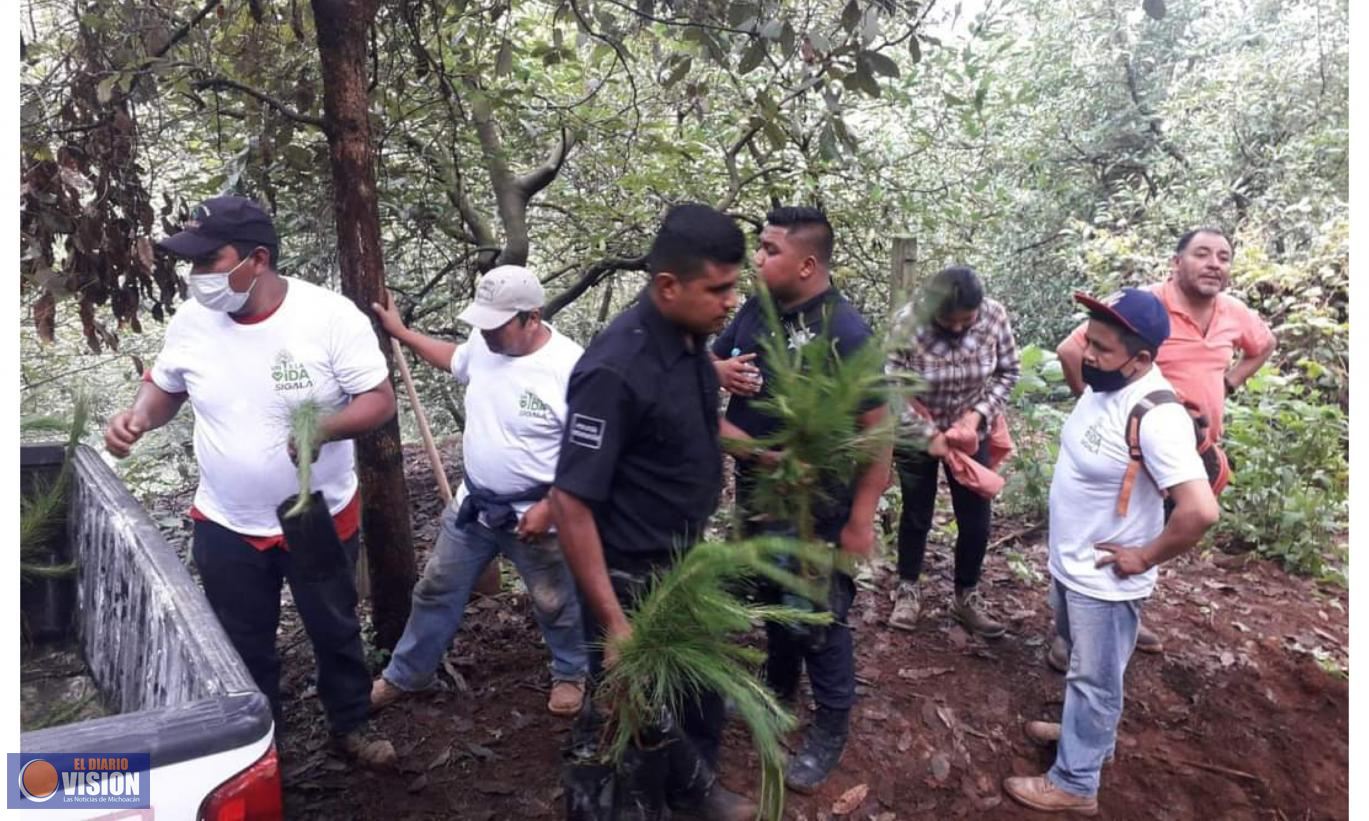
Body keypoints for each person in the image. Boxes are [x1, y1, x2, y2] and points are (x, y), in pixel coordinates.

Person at [103, 196, 399, 767]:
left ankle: (350, 724)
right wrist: (138, 415)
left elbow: (379, 401)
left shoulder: (329, 317)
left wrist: (327, 428)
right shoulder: (192, 322)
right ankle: (260, 748)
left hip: (316, 514)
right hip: (226, 520)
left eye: (210, 260)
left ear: (257, 260)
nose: (197, 277)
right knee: (242, 644)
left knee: (334, 627)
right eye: (192, 262)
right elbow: (166, 387)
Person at [550, 203, 755, 819]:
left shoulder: (691, 340)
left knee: (698, 693)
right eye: (718, 288)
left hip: (682, 560)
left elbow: (688, 425)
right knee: (634, 715)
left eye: (734, 285)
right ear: (668, 285)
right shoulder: (613, 370)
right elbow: (570, 502)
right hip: (627, 573)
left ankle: (694, 791)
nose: (731, 301)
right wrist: (615, 624)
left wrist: (768, 455)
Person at [1003, 288, 1218, 815]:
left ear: (1141, 359)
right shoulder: (1105, 386)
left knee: (1095, 679)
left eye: (1100, 346)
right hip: (1073, 564)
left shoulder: (1158, 416)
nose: (1086, 353)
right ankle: (1087, 738)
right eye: (1089, 341)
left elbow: (1200, 510)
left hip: (1105, 578)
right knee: (1084, 668)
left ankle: (1076, 783)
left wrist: (1144, 556)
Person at [711, 206, 892, 794]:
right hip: (758, 493)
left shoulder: (846, 331)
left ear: (808, 264)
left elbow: (878, 432)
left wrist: (862, 518)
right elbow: (710, 359)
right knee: (771, 593)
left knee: (820, 615)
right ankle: (777, 690)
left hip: (820, 506)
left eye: (768, 250)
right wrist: (718, 370)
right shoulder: (754, 311)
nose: (756, 260)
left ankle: (832, 724)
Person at [367, 265, 589, 718]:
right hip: (475, 505)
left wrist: (552, 506)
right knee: (436, 588)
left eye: (497, 324)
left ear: (532, 316)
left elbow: (589, 453)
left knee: (554, 598)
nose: (485, 334)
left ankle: (571, 672)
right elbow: (454, 358)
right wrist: (403, 333)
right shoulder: (485, 344)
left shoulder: (569, 368)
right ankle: (407, 674)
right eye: (481, 324)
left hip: (537, 511)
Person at [1053, 227, 1274, 660]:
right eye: (1202, 254)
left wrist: (1228, 383)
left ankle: (1122, 618)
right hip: (1139, 448)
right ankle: (1076, 636)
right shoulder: (1145, 310)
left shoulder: (1234, 312)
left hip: (1193, 454)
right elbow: (1072, 350)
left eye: (1223, 256)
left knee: (1155, 535)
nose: (1214, 263)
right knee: (1111, 537)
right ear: (1176, 262)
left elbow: (1263, 346)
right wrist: (1095, 402)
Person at [882, 266, 1021, 637]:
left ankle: (966, 595)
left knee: (976, 515)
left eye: (966, 320)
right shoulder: (908, 323)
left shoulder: (994, 317)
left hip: (970, 431)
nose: (958, 328)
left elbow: (1008, 371)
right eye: (948, 321)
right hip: (917, 428)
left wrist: (976, 417)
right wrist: (928, 434)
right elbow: (891, 383)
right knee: (917, 512)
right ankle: (908, 589)